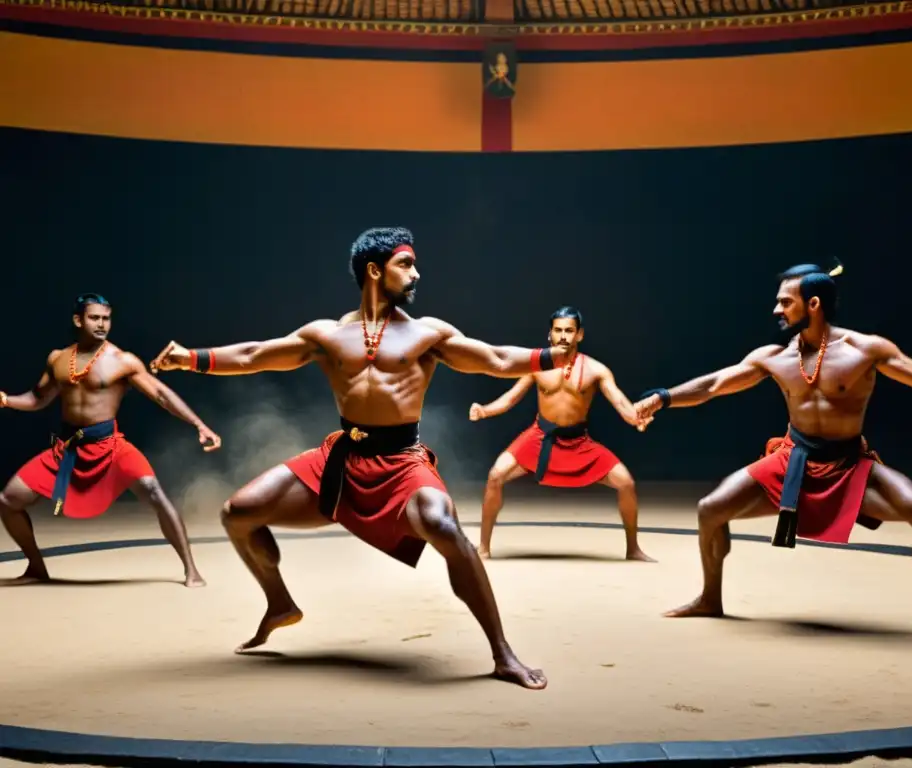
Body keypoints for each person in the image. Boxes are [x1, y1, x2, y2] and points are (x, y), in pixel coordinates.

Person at [149, 227, 575, 690]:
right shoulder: (328, 336)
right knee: (238, 514)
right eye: (405, 265)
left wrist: (553, 357)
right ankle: (279, 603)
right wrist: (190, 358)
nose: (416, 274)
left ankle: (503, 654)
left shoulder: (426, 334)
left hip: (401, 462)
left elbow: (493, 358)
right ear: (375, 271)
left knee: (444, 526)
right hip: (342, 458)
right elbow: (254, 355)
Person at [634, 264, 912, 638]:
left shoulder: (864, 350)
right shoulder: (775, 357)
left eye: (786, 302)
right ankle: (709, 598)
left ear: (813, 304)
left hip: (849, 464)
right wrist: (662, 397)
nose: (776, 310)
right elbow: (715, 384)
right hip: (793, 459)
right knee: (710, 510)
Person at [0, 293, 219, 587]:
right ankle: (36, 568)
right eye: (94, 318)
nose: (102, 324)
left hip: (109, 446)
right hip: (67, 449)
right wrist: (5, 400)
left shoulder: (122, 360)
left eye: (106, 318)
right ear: (78, 320)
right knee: (8, 500)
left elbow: (160, 394)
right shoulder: (58, 358)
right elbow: (38, 398)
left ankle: (191, 570)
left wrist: (198, 424)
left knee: (154, 491)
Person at [469, 306, 653, 561]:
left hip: (579, 443)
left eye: (569, 330)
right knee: (495, 476)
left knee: (626, 483)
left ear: (580, 335)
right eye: (558, 330)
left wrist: (636, 419)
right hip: (539, 437)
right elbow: (510, 399)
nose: (563, 336)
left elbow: (621, 403)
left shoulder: (596, 370)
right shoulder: (535, 366)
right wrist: (484, 411)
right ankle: (483, 548)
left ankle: (633, 549)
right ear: (550, 335)